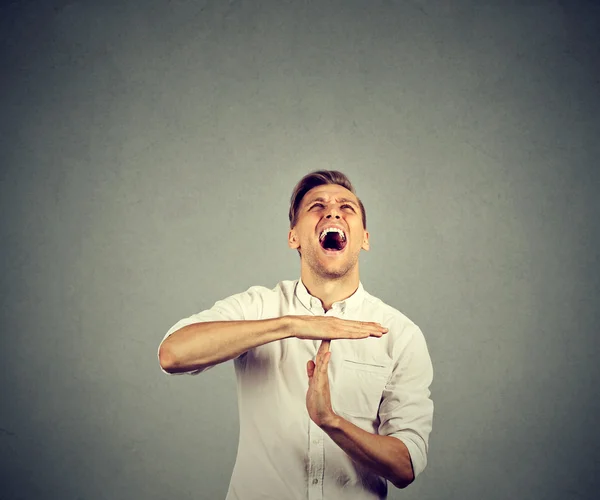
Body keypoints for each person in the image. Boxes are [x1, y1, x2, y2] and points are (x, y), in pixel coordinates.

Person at [158, 170, 434, 500]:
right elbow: (173, 353)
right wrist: (291, 325)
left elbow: (405, 466)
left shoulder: (399, 334)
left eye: (346, 207)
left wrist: (331, 422)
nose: (333, 211)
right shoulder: (260, 306)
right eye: (317, 206)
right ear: (294, 238)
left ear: (364, 238)